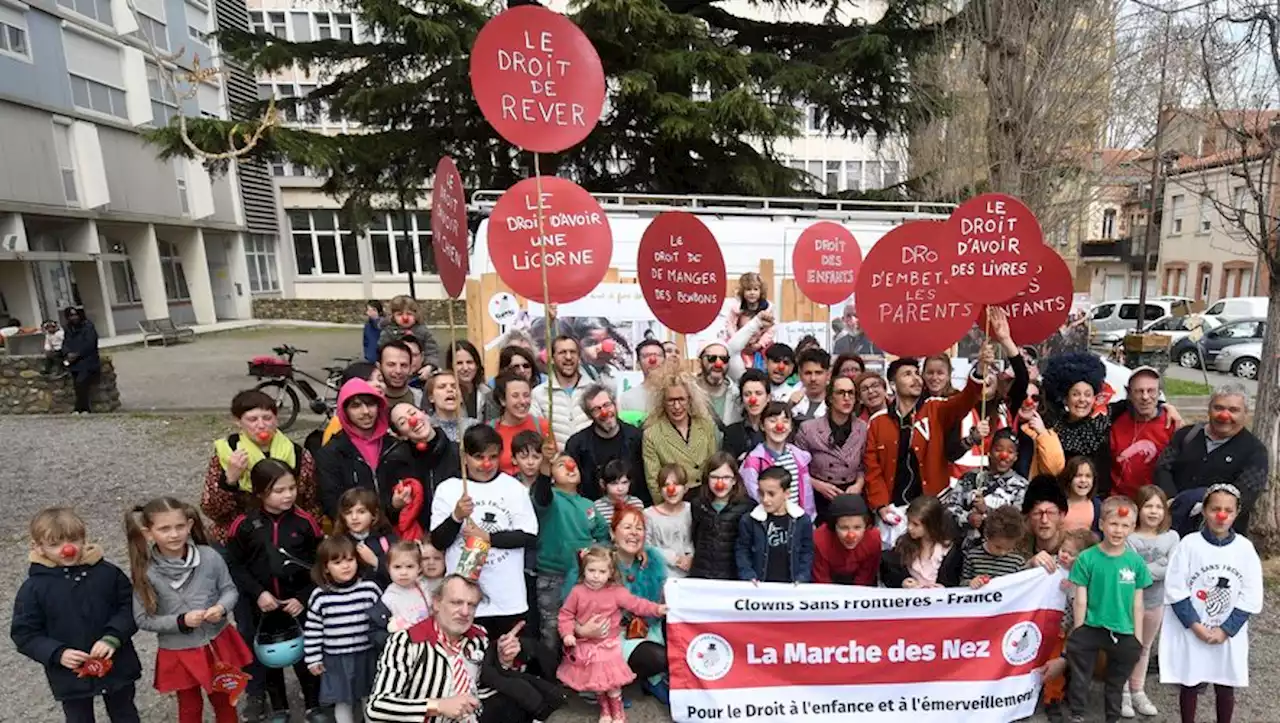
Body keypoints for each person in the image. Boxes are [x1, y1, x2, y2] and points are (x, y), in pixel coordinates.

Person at [11, 507, 142, 723]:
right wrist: (57, 653)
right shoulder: (33, 588)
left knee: (124, 712)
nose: (67, 549)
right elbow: (24, 634)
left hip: (116, 663)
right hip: (69, 673)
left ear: (84, 539)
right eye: (55, 545)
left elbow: (130, 608)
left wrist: (113, 637)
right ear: (38, 547)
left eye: (73, 540)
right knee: (79, 718)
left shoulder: (108, 573)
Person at [365, 575, 554, 723]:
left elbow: (488, 684)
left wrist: (504, 660)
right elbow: (377, 706)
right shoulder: (406, 642)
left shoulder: (478, 639)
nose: (465, 612)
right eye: (456, 602)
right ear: (437, 603)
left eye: (471, 605)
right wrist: (437, 706)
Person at [125, 498, 249, 723]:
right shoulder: (146, 572)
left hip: (217, 642)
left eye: (179, 527)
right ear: (148, 533)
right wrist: (180, 621)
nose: (174, 534)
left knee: (225, 699)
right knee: (190, 707)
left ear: (190, 526)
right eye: (164, 529)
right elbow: (143, 619)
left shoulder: (209, 557)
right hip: (179, 650)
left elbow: (229, 590)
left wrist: (221, 608)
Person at [224, 459, 324, 720]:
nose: (288, 495)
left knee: (306, 653)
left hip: (298, 604)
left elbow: (320, 564)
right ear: (259, 492)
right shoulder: (243, 525)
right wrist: (258, 593)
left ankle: (314, 705)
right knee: (269, 657)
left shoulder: (306, 522)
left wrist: (302, 597)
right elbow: (234, 565)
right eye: (278, 490)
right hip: (262, 605)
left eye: (291, 488)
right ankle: (279, 707)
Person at [1160, 483, 1264, 723]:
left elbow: (1251, 594)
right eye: (1215, 508)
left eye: (1228, 510)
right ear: (1204, 511)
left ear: (1236, 513)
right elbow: (1176, 588)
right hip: (1194, 628)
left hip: (1226, 631)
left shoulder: (1245, 549)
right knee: (1190, 680)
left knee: (1225, 682)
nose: (1221, 515)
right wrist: (1195, 625)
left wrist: (1226, 630)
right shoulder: (1188, 545)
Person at [429, 425, 539, 640]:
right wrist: (456, 517)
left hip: (507, 598)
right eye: (479, 457)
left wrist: (489, 538)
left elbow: (529, 536)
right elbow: (438, 541)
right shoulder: (448, 488)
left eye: (493, 457)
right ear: (465, 457)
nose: (486, 464)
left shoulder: (513, 488)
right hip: (464, 603)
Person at [863, 339, 991, 523]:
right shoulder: (877, 422)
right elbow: (872, 470)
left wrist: (979, 370)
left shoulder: (936, 409)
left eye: (917, 373)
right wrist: (881, 506)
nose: (916, 378)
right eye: (907, 374)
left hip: (931, 507)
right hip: (892, 511)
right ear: (892, 384)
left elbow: (964, 401)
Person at [557, 545, 668, 723]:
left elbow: (637, 604)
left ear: (610, 572)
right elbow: (566, 614)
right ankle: (605, 710)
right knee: (598, 684)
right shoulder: (577, 592)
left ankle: (617, 710)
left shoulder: (617, 592)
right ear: (583, 570)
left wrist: (657, 609)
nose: (595, 576)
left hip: (609, 646)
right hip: (588, 646)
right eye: (591, 570)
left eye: (601, 571)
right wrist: (567, 633)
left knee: (612, 684)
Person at [1065, 496, 1150, 723]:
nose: (1118, 530)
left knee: (1115, 682)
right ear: (1102, 524)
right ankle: (1077, 714)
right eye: (1113, 524)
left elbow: (1137, 603)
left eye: (1124, 526)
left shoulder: (1136, 563)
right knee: (1081, 676)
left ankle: (1112, 717)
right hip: (1092, 626)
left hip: (1123, 629)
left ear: (1132, 528)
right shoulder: (1087, 558)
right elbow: (1080, 597)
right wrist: (1079, 628)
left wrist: (1138, 637)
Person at [202, 389, 320, 543]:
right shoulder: (227, 453)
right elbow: (211, 510)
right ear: (238, 422)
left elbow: (311, 502)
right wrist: (229, 480)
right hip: (239, 535)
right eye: (252, 419)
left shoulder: (296, 454)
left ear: (276, 419)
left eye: (267, 418)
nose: (261, 425)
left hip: (287, 533)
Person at [1156, 383, 1269, 535]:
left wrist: (1204, 509)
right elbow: (1163, 467)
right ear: (1209, 409)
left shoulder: (1255, 451)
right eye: (1219, 408)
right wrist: (1173, 501)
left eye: (1233, 410)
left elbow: (1245, 495)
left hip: (1218, 536)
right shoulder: (1186, 435)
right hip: (1173, 527)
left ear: (1245, 414)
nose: (1224, 415)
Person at [531, 455, 609, 651]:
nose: (569, 466)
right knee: (552, 630)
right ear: (551, 475)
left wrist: (594, 552)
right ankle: (550, 676)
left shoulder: (589, 505)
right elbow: (541, 494)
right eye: (560, 465)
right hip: (552, 576)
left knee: (583, 627)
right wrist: (545, 468)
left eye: (573, 463)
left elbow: (604, 537)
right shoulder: (550, 499)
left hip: (584, 579)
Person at [317, 379, 417, 531]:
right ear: (344, 411)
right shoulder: (331, 453)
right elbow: (332, 505)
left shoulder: (396, 446)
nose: (365, 411)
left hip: (397, 532)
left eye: (370, 404)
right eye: (356, 406)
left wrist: (396, 506)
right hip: (354, 537)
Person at [304, 537, 381, 723]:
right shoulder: (320, 596)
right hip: (336, 660)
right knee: (342, 701)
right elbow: (313, 630)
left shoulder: (369, 590)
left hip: (367, 655)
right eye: (337, 562)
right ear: (325, 568)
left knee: (369, 697)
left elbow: (382, 621)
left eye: (350, 560)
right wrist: (313, 658)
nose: (345, 566)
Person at [1124, 485, 1178, 718]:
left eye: (1159, 506)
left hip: (1155, 603)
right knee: (1125, 647)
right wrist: (1159, 566)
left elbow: (1172, 569)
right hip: (1128, 603)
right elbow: (1130, 570)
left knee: (1144, 647)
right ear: (1138, 509)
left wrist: (1145, 569)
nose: (1154, 511)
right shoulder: (1128, 536)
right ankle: (1122, 692)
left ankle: (1138, 690)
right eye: (1148, 506)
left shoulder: (1172, 537)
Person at [795, 373, 868, 523]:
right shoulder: (808, 429)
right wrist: (818, 485)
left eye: (851, 393)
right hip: (819, 494)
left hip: (851, 493)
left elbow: (864, 465)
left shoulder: (863, 428)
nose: (846, 398)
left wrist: (858, 485)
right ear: (830, 397)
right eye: (841, 393)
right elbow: (797, 468)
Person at [1041, 352, 1113, 497]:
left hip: (1095, 499)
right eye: (1076, 394)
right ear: (1066, 398)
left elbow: (1135, 404)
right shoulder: (1054, 423)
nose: (1082, 400)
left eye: (1087, 394)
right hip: (1060, 497)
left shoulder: (1104, 420)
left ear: (1094, 398)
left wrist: (1166, 408)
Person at [641, 369, 717, 502]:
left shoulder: (705, 425)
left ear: (690, 399)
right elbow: (653, 481)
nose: (676, 406)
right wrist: (666, 511)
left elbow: (713, 466)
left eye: (681, 399)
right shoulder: (651, 434)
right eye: (671, 400)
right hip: (674, 501)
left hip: (706, 498)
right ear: (663, 402)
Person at [565, 384, 648, 504]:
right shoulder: (577, 445)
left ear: (615, 405)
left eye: (607, 405)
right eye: (596, 409)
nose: (604, 412)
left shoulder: (637, 438)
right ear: (589, 416)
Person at [735, 466, 815, 583]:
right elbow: (742, 550)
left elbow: (807, 552)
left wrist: (802, 577)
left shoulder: (802, 520)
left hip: (791, 586)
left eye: (771, 494)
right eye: (761, 493)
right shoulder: (749, 520)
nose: (765, 499)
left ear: (786, 493)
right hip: (759, 585)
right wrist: (748, 575)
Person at [947, 429, 1029, 543]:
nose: (1003, 456)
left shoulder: (1022, 486)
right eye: (998, 450)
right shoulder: (970, 477)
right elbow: (949, 508)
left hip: (999, 552)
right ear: (989, 451)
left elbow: (1016, 523)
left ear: (1016, 457)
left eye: (1010, 452)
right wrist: (967, 518)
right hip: (966, 551)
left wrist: (987, 511)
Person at [1110, 367, 1178, 500]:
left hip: (1155, 504)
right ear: (1129, 394)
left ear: (1159, 393)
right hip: (1120, 500)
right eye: (1139, 391)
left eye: (1151, 391)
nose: (1145, 397)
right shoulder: (1115, 420)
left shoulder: (1172, 424)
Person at [741, 401, 815, 519]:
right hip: (767, 523)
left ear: (791, 427)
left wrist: (809, 519)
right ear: (762, 426)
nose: (779, 426)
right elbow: (753, 495)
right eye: (773, 420)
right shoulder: (754, 461)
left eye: (785, 421)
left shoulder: (799, 458)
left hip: (796, 522)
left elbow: (807, 494)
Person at [690, 453, 754, 580]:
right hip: (702, 573)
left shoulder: (747, 507)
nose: (720, 483)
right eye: (714, 477)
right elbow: (695, 536)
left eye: (725, 477)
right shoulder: (698, 504)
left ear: (734, 480)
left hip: (732, 575)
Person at [880, 496, 962, 589]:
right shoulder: (903, 545)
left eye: (915, 524)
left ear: (931, 525)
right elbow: (889, 572)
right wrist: (903, 581)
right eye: (909, 522)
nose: (910, 528)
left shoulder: (950, 550)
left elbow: (956, 579)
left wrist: (944, 588)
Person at [533, 335, 595, 452]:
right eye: (562, 352)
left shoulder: (593, 391)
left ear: (579, 357)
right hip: (555, 465)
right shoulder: (539, 394)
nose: (568, 357)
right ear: (552, 358)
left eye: (573, 352)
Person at [388, 401, 461, 496]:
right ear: (401, 436)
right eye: (402, 422)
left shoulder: (459, 452)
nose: (412, 421)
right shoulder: (398, 462)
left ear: (424, 413)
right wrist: (396, 505)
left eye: (413, 413)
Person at [333, 488, 397, 588]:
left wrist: (375, 561)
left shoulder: (387, 540)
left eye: (361, 512)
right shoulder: (338, 543)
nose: (354, 517)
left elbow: (400, 572)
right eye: (348, 513)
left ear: (374, 515)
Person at [810, 494, 881, 586]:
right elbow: (821, 581)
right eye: (844, 528)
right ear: (834, 526)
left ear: (866, 526)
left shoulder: (873, 539)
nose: (851, 535)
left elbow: (866, 578)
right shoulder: (819, 540)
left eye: (857, 527)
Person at [491, 370, 551, 476]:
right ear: (502, 400)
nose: (523, 401)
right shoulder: (491, 430)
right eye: (515, 396)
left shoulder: (543, 426)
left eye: (526, 395)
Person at [645, 464, 694, 579]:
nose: (671, 489)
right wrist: (673, 558)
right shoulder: (648, 514)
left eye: (676, 484)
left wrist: (690, 556)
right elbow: (645, 546)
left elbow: (698, 538)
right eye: (666, 485)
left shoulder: (692, 510)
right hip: (661, 576)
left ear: (685, 488)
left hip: (690, 576)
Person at [959, 506, 1027, 587]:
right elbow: (961, 585)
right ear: (987, 536)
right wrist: (970, 583)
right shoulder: (973, 557)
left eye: (1008, 548)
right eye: (998, 547)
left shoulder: (1017, 562)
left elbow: (1023, 588)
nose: (1002, 552)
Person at [379, 541, 435, 633]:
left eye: (410, 566)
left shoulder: (424, 588)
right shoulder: (388, 598)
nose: (403, 572)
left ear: (419, 568)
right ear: (388, 568)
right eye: (397, 567)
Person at [378, 295, 440, 370]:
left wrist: (429, 366)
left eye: (409, 314)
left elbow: (431, 351)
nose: (405, 318)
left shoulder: (423, 332)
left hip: (420, 371)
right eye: (400, 314)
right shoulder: (388, 333)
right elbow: (381, 352)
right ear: (393, 316)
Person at [721, 369, 769, 461]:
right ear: (742, 399)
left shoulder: (775, 429)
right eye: (747, 394)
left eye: (758, 393)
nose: (753, 400)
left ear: (768, 397)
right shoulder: (732, 432)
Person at [62, 306, 100, 414]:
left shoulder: (88, 327)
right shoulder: (68, 329)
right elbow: (65, 343)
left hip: (88, 361)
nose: (74, 318)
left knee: (81, 382)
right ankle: (81, 408)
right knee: (76, 384)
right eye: (71, 315)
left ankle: (82, 407)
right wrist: (68, 353)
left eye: (75, 315)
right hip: (75, 363)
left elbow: (90, 344)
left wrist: (77, 354)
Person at [424, 370, 477, 443]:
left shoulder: (474, 426)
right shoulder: (425, 428)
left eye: (454, 386)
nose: (450, 389)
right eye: (442, 387)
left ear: (461, 397)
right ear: (431, 397)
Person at [446, 340, 493, 423]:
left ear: (477, 365)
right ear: (451, 366)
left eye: (469, 362)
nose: (465, 368)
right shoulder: (447, 394)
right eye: (459, 363)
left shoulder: (487, 392)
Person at [696, 342, 740, 427]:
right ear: (699, 362)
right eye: (711, 358)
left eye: (724, 359)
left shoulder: (737, 395)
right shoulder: (687, 392)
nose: (718, 363)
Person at [620, 339, 665, 416]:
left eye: (658, 355)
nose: (653, 360)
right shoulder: (628, 397)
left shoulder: (677, 392)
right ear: (638, 363)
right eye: (646, 356)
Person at [592, 460, 645, 525]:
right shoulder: (597, 507)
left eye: (624, 482)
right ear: (602, 484)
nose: (620, 488)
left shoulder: (637, 503)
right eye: (614, 483)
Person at [1061, 456, 1102, 535]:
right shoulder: (1058, 504)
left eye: (1088, 476)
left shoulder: (1098, 506)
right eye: (1078, 475)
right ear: (1069, 478)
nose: (1083, 480)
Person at [377, 341, 422, 409]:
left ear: (410, 368)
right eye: (391, 365)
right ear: (379, 367)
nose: (398, 371)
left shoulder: (421, 400)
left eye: (404, 365)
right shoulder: (370, 401)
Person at [788, 348, 830, 421]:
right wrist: (788, 406)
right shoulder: (787, 399)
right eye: (808, 373)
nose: (813, 378)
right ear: (800, 375)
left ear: (828, 375)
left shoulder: (836, 403)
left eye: (818, 373)